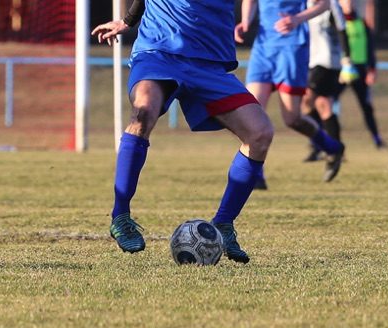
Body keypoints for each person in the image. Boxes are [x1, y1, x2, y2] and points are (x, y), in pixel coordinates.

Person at [92, 0, 275, 264]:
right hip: (159, 51)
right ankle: (120, 216)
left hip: (209, 62)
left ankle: (223, 224)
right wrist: (128, 20)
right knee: (143, 112)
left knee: (260, 133)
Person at [236, 0, 346, 187]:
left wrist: (297, 19)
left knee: (292, 118)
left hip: (291, 47)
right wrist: (246, 20)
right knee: (251, 115)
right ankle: (256, 175)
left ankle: (333, 148)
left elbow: (325, 4)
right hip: (263, 47)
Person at [302, 0, 355, 162]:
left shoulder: (331, 5)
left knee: (306, 100)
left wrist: (347, 59)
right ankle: (334, 148)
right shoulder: (304, 4)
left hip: (326, 62)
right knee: (323, 105)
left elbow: (342, 30)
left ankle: (322, 145)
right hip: (310, 60)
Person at [336, 0, 386, 148]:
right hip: (342, 69)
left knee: (366, 106)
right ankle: (327, 143)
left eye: (351, 2)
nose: (349, 4)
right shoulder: (337, 23)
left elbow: (370, 48)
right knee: (327, 103)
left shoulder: (362, 23)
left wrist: (372, 69)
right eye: (345, 2)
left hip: (360, 69)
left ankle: (377, 138)